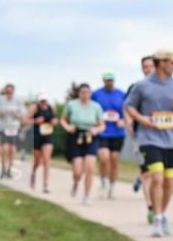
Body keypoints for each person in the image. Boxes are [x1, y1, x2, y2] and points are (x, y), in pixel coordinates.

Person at [125, 49, 173, 237]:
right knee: (157, 177)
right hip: (149, 138)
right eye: (172, 62)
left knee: (169, 182)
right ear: (162, 62)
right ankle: (156, 219)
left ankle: (161, 215)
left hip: (172, 140)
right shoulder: (142, 85)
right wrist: (142, 119)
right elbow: (129, 106)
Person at [61, 83, 105, 205]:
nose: (85, 95)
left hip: (91, 136)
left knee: (90, 167)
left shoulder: (96, 106)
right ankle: (76, 182)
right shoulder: (72, 105)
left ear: (90, 94)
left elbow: (102, 125)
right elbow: (63, 119)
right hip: (76, 136)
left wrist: (97, 129)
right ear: (79, 93)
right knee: (78, 171)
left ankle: (87, 195)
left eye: (87, 92)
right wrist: (68, 127)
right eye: (82, 92)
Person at [128, 55, 157, 221]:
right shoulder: (136, 88)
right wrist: (129, 124)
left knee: (157, 173)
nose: (148, 70)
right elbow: (127, 108)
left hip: (160, 136)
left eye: (151, 66)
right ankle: (151, 207)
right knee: (147, 173)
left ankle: (140, 179)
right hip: (141, 136)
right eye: (145, 67)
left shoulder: (165, 87)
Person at [92, 70, 127, 199]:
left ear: (114, 80)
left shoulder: (121, 94)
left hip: (118, 133)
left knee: (114, 160)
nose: (109, 82)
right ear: (103, 80)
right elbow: (91, 109)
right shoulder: (96, 94)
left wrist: (123, 120)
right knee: (104, 158)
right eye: (107, 80)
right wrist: (95, 121)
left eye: (111, 80)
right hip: (103, 131)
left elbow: (128, 110)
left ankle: (112, 187)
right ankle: (103, 182)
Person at [0, 84, 26, 179]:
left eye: (10, 91)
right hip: (3, 128)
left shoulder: (18, 101)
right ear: (5, 91)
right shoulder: (0, 100)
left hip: (14, 128)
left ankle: (9, 170)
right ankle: (3, 169)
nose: (9, 93)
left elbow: (23, 116)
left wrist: (16, 114)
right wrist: (0, 113)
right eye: (7, 91)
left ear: (13, 91)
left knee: (12, 150)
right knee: (4, 150)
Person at [28, 92, 57, 193]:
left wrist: (54, 122)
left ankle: (45, 184)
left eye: (45, 100)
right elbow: (26, 120)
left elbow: (56, 119)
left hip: (48, 136)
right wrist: (35, 121)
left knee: (46, 159)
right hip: (37, 137)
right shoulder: (34, 108)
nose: (44, 102)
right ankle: (33, 172)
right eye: (42, 100)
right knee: (37, 160)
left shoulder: (51, 108)